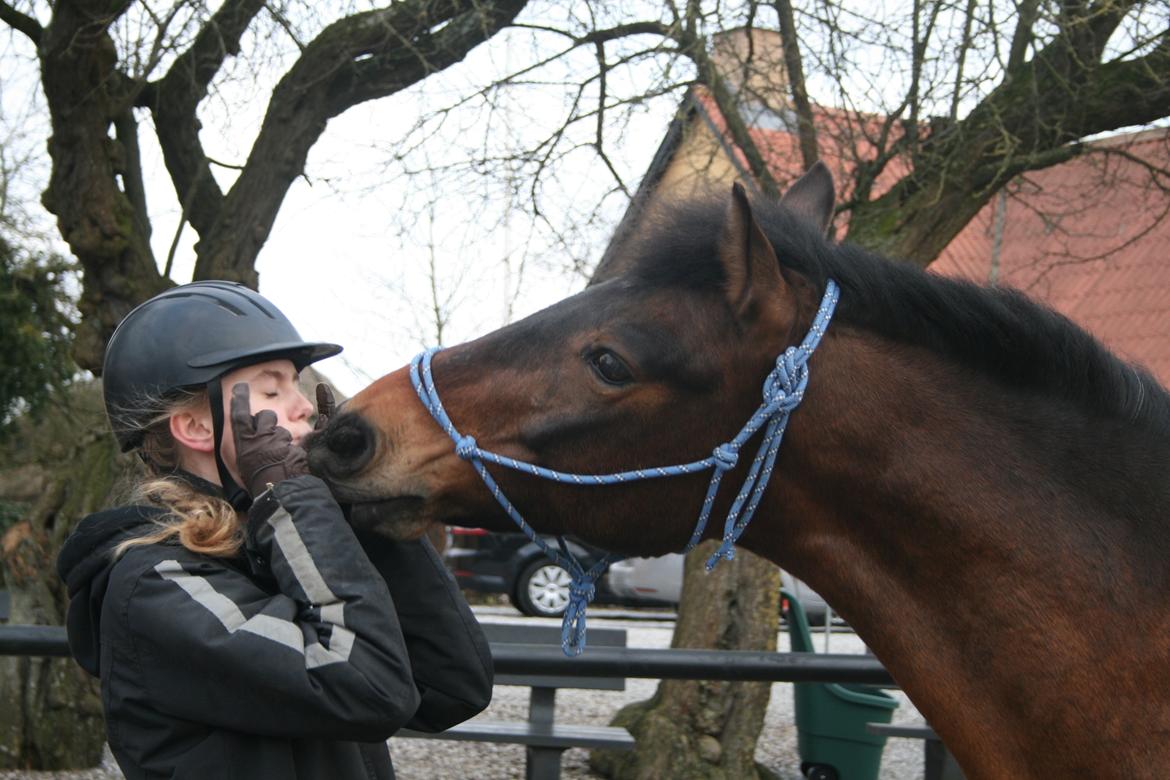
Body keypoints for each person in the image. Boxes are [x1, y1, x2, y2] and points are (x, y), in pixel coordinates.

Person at [56, 280, 493, 779]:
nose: (303, 403)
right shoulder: (154, 585)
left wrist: (355, 510)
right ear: (196, 427)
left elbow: (454, 685)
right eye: (272, 388)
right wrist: (298, 505)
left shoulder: (279, 541)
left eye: (297, 383)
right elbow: (370, 686)